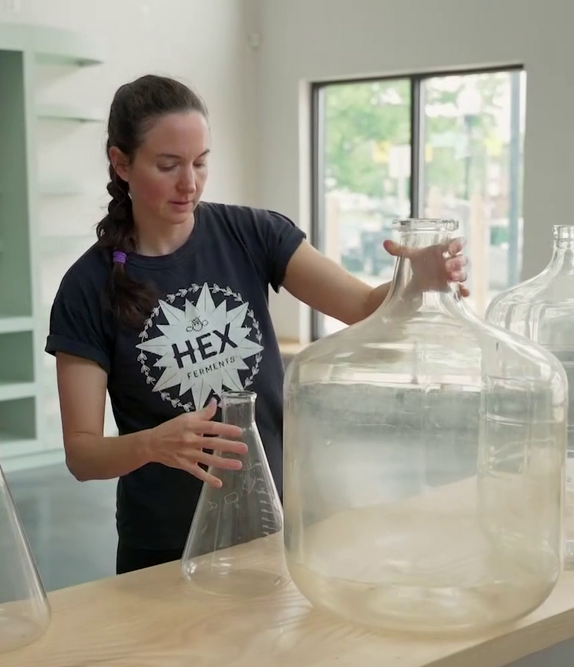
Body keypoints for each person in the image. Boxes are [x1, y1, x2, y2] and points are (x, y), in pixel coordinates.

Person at [46, 74, 468, 575]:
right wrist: (153, 443)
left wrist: (415, 277)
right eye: (168, 165)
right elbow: (83, 454)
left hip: (274, 524)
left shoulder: (252, 233)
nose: (190, 184)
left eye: (201, 162)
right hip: (163, 546)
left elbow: (362, 306)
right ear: (121, 163)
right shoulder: (86, 287)